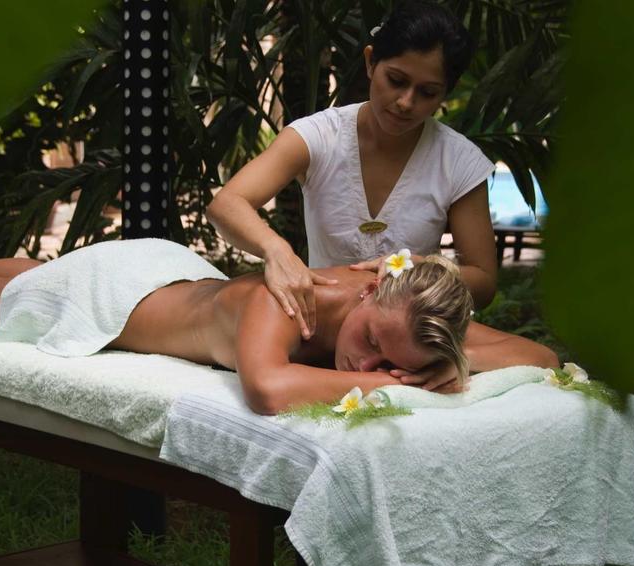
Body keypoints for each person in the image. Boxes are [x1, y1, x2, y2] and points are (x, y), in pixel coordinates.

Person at [0, 239, 557, 415]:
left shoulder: (395, 316)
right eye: (373, 343)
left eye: (385, 363)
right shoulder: (284, 302)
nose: (366, 365)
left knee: (30, 271)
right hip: (116, 297)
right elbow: (268, 385)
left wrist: (444, 365)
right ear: (371, 288)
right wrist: (398, 387)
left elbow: (540, 355)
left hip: (170, 269)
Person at [206, 0, 497, 342]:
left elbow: (484, 281)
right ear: (371, 62)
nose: (406, 101)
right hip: (317, 328)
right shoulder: (318, 136)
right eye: (396, 80)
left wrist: (422, 271)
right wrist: (278, 251)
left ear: (444, 92)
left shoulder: (458, 161)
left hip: (411, 341)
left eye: (427, 92)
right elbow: (226, 204)